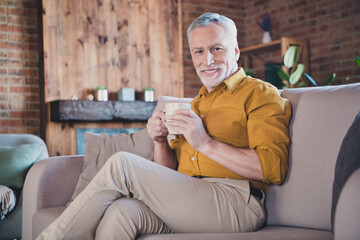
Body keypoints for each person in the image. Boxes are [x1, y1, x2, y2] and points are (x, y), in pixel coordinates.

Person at [37, 12, 291, 240]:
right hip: (190, 197)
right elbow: (172, 174)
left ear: (235, 51)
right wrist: (160, 141)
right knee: (121, 212)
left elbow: (273, 167)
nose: (207, 60)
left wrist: (206, 143)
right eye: (199, 51)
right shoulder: (196, 104)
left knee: (122, 164)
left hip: (237, 203)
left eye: (217, 49)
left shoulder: (259, 93)